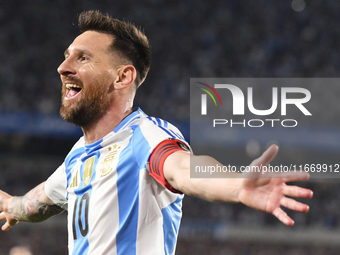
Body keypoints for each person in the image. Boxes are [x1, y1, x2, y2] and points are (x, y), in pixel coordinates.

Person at [0, 10, 313, 254]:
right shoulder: (76, 159)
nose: (62, 67)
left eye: (82, 58)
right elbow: (34, 203)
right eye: (67, 55)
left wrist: (235, 184)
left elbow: (182, 168)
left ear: (122, 77)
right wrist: (10, 205)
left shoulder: (145, 137)